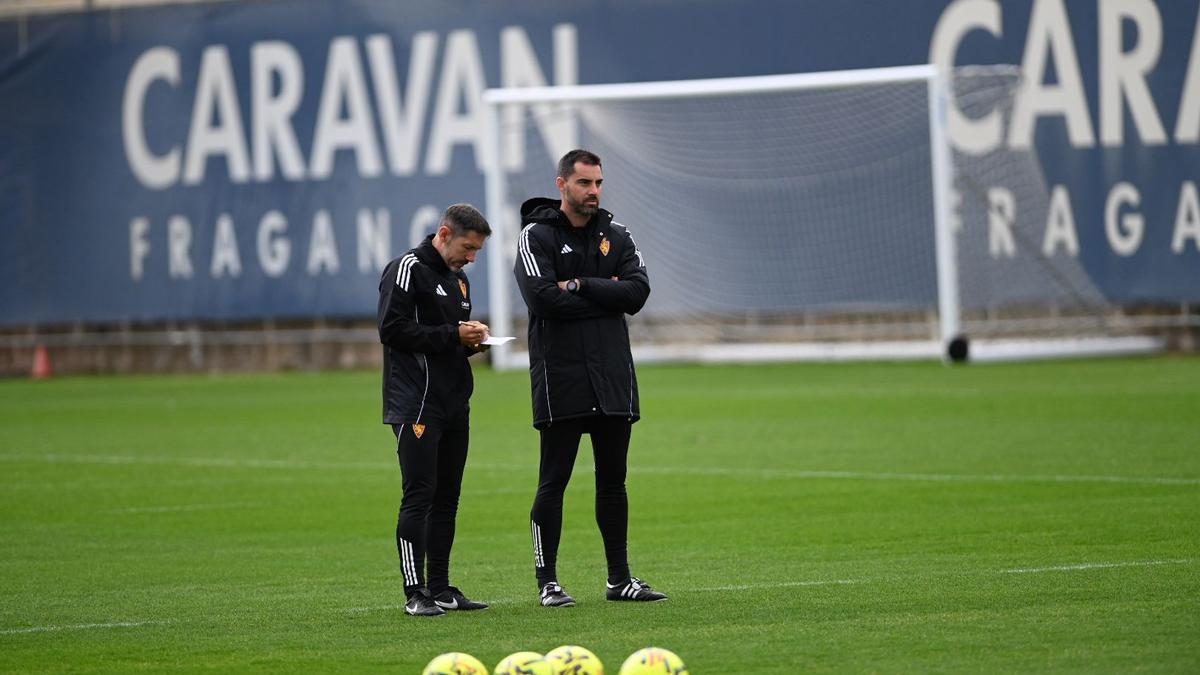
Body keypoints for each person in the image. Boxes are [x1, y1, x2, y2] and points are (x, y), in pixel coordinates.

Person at [513, 149, 667, 607]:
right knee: (553, 481)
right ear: (562, 184)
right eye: (584, 183)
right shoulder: (535, 236)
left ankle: (619, 580)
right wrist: (608, 293)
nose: (594, 192)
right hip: (561, 377)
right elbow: (542, 300)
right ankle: (548, 583)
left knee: (613, 482)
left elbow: (637, 293)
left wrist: (579, 284)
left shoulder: (617, 235)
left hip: (613, 377)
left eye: (598, 183)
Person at [378, 203, 492, 617]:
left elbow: (446, 340)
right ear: (444, 234)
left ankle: (442, 587)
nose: (472, 258)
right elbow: (391, 329)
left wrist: (472, 342)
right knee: (419, 496)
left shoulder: (458, 279)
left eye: (477, 250)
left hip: (453, 402)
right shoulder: (406, 268)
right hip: (416, 402)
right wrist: (452, 334)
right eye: (467, 247)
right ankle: (415, 593)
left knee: (448, 499)